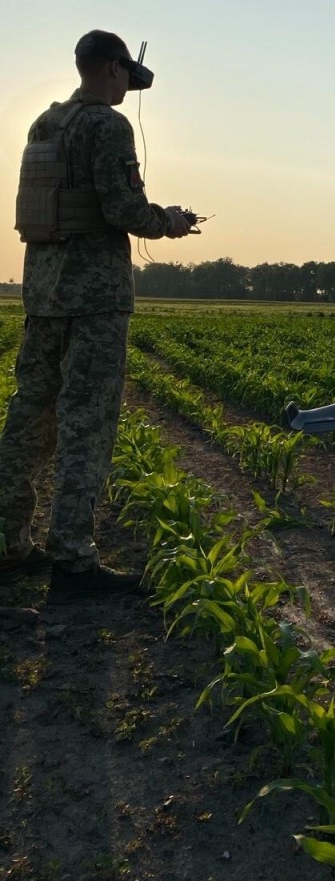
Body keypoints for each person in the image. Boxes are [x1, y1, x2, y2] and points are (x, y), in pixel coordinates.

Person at [0, 32, 193, 597]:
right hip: (95, 301)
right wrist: (170, 220)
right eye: (125, 75)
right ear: (111, 69)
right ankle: (73, 561)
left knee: (29, 417)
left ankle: (9, 543)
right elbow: (123, 208)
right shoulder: (108, 126)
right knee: (86, 422)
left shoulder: (44, 123)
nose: (127, 87)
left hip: (42, 294)